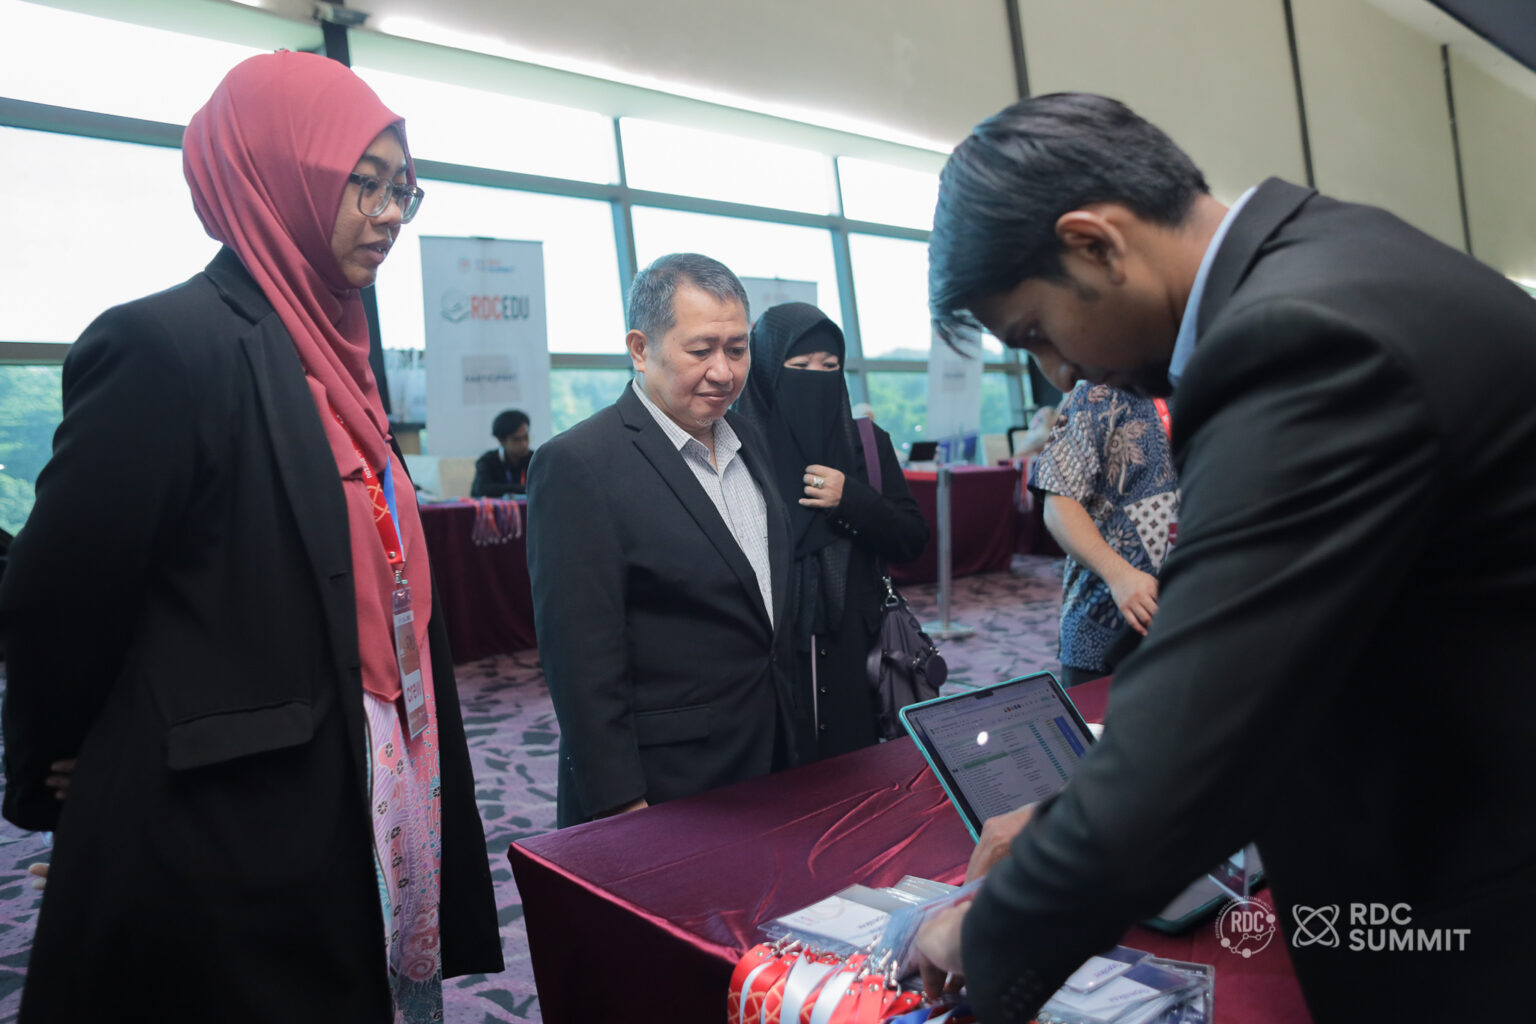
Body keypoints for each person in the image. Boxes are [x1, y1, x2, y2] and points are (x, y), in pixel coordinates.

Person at [916, 92, 1536, 1022]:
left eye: (1037, 333)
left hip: (1473, 895)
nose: (1060, 372)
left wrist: (985, 933)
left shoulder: (1296, 339)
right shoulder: (1336, 257)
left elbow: (1202, 724)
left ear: (1095, 244)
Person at [0, 52, 502, 1022]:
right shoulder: (167, 346)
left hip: (376, 763)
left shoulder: (341, 349)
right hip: (236, 806)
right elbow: (57, 590)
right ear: (277, 175)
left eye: (403, 190)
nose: (390, 215)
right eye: (364, 184)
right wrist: (71, 759)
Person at [526, 253, 792, 827]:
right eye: (701, 351)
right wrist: (622, 807)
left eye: (737, 349)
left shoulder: (751, 438)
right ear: (641, 349)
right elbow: (580, 665)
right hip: (665, 785)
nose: (723, 372)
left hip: (770, 754)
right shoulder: (579, 464)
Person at [734, 302, 927, 761]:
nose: (815, 378)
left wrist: (852, 499)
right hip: (763, 656)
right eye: (799, 366)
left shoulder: (867, 444)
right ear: (767, 370)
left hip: (855, 650)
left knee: (853, 774)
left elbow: (911, 540)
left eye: (829, 367)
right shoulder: (735, 447)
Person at [1029, 382, 1177, 686]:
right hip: (1106, 624)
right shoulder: (1101, 391)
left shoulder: (1221, 386)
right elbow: (1058, 503)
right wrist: (1119, 574)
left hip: (1200, 625)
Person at [470, 408, 533, 497]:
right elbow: (481, 490)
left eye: (526, 437)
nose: (524, 444)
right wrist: (525, 488)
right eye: (516, 439)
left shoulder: (535, 459)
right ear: (501, 440)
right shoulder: (487, 461)